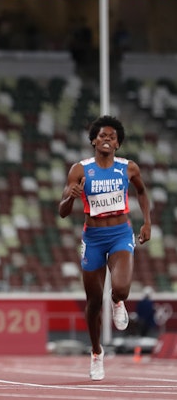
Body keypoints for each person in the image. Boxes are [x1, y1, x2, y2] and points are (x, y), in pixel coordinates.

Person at [58, 115, 152, 381]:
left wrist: (147, 222)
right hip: (93, 238)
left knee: (120, 288)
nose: (107, 139)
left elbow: (142, 192)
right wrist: (70, 197)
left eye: (112, 136)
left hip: (121, 234)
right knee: (93, 301)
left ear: (118, 143)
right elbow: (62, 211)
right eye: (102, 136)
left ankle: (118, 301)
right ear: (93, 141)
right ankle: (97, 352)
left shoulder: (128, 168)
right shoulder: (80, 169)